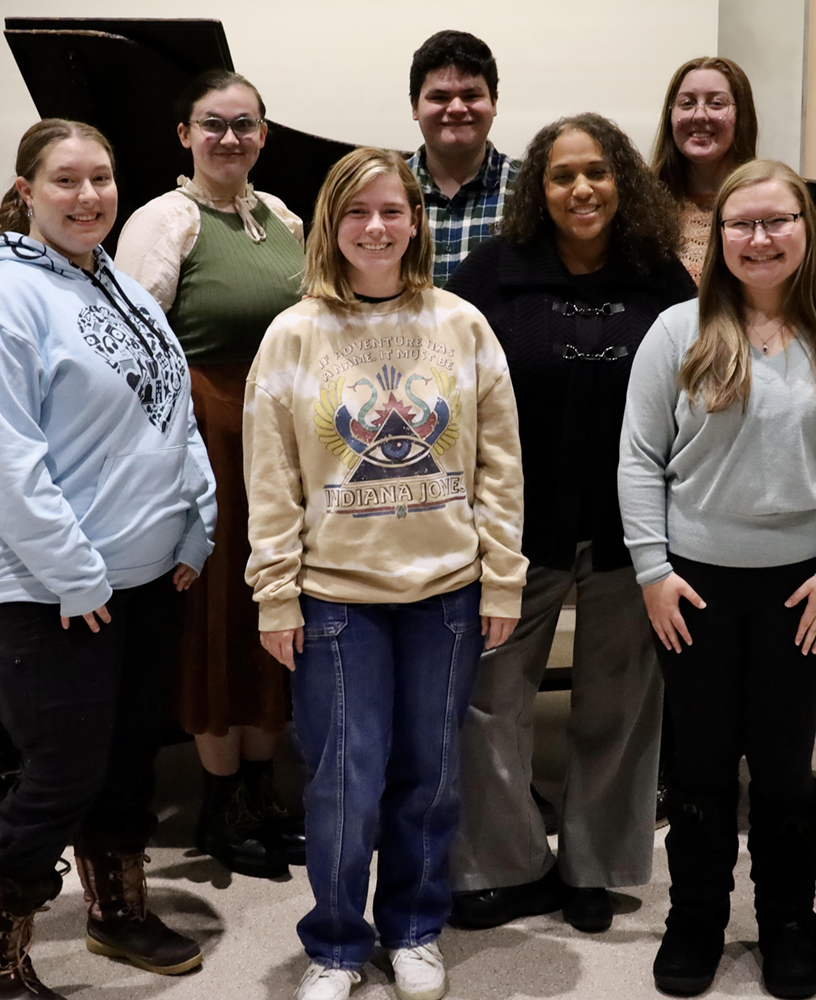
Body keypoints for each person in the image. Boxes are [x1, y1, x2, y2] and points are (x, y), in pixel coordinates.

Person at [0, 119, 217, 999]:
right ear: (27, 191)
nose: (89, 195)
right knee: (61, 772)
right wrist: (74, 571)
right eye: (66, 180)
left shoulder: (121, 290)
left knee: (129, 757)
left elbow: (171, 409)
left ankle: (116, 911)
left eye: (101, 177)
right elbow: (2, 459)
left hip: (139, 577)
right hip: (51, 587)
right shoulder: (0, 301)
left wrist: (194, 523)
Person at [244, 148, 526, 1000]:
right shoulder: (293, 334)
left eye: (393, 211)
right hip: (335, 600)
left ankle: (411, 930)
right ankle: (335, 944)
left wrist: (503, 578)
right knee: (343, 781)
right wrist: (276, 592)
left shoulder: (462, 324)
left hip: (446, 592)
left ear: (416, 222)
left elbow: (500, 467)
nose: (376, 228)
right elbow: (271, 476)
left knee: (431, 775)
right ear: (332, 225)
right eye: (357, 212)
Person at [618, 160, 816, 999]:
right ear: (719, 238)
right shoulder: (677, 331)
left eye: (778, 222)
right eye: (743, 223)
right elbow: (638, 460)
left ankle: (787, 922)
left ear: (806, 234)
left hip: (801, 592)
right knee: (698, 766)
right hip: (692, 585)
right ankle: (695, 918)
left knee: (781, 769)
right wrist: (653, 571)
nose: (760, 238)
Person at [443, 114, 695, 934]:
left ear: (622, 179)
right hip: (519, 527)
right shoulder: (491, 275)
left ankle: (596, 864)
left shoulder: (661, 277)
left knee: (618, 704)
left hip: (634, 529)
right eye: (561, 176)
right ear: (537, 189)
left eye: (596, 172)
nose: (581, 189)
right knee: (488, 699)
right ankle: (505, 864)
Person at [115, 69, 305, 880]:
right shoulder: (166, 220)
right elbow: (131, 350)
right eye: (213, 124)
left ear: (265, 134)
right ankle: (219, 801)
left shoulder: (285, 216)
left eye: (246, 124)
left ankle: (262, 791)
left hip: (285, 440)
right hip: (209, 444)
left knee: (279, 600)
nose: (231, 138)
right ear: (184, 135)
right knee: (219, 615)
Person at [406, 30, 520, 287]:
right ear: (414, 106)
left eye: (471, 96)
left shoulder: (532, 190)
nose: (457, 108)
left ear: (494, 101)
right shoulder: (381, 192)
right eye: (440, 97)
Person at [651, 57, 759, 284]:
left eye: (717, 103)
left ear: (742, 117)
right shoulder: (643, 209)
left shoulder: (770, 206)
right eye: (687, 103)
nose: (699, 114)